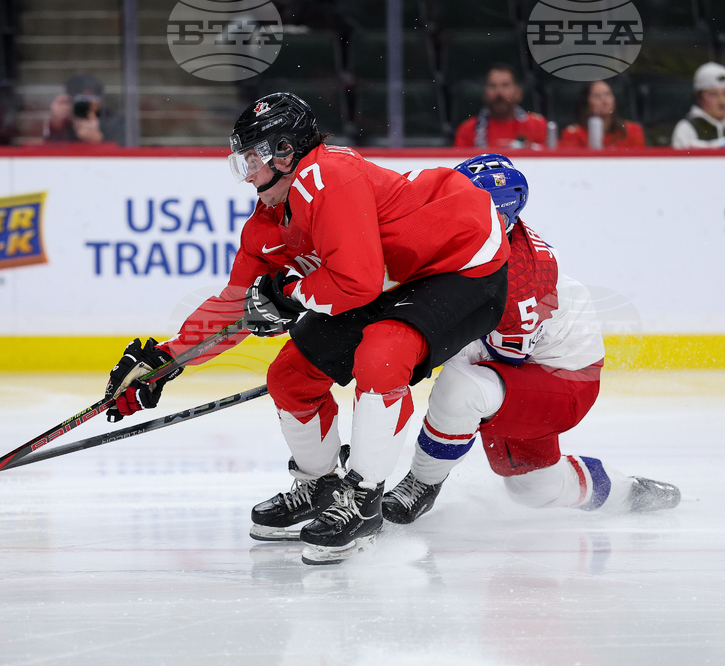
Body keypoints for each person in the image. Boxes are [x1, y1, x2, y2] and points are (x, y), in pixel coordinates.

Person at [104, 92, 510, 565]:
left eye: (253, 158)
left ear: (285, 152)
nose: (249, 173)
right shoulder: (269, 220)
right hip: (392, 276)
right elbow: (237, 305)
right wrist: (167, 360)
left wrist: (292, 293)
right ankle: (319, 487)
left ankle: (363, 499)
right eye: (244, 161)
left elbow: (354, 284)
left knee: (382, 354)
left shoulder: (330, 177)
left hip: (464, 264)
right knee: (290, 376)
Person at [381, 154, 681, 525]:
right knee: (535, 490)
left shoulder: (522, 282)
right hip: (522, 369)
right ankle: (628, 493)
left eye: (464, 205)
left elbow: (495, 360)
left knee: (461, 387)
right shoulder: (485, 238)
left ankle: (420, 486)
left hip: (564, 378)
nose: (449, 213)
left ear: (498, 216)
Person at [454, 64, 548, 150]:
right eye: (493, 86)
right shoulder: (468, 129)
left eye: (505, 85)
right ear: (485, 93)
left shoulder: (538, 126)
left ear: (518, 93)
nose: (499, 92)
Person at [559, 80, 645, 149]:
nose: (604, 100)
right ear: (586, 104)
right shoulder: (573, 134)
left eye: (607, 94)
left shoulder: (632, 131)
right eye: (597, 96)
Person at [44, 73, 124, 145]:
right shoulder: (65, 122)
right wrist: (56, 125)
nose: (84, 103)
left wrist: (97, 139)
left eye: (90, 97)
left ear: (100, 99)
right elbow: (49, 154)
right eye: (78, 98)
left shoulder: (113, 120)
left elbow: (123, 155)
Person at [672, 61, 725, 150]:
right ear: (699, 98)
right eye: (713, 94)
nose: (722, 101)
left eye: (724, 93)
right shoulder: (687, 128)